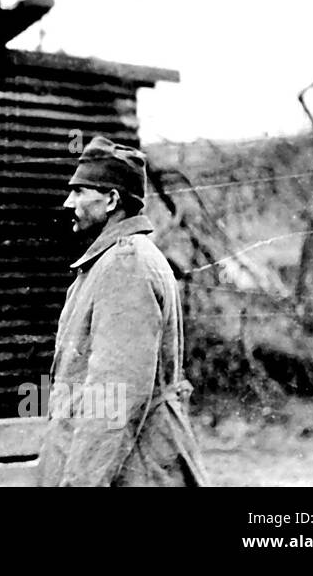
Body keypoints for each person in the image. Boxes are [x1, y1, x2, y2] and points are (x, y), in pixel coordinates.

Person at [37, 136, 209, 487]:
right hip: (122, 462)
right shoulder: (115, 260)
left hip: (130, 469)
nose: (69, 203)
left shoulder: (125, 265)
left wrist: (80, 482)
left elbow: (114, 394)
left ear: (112, 199)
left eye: (80, 192)